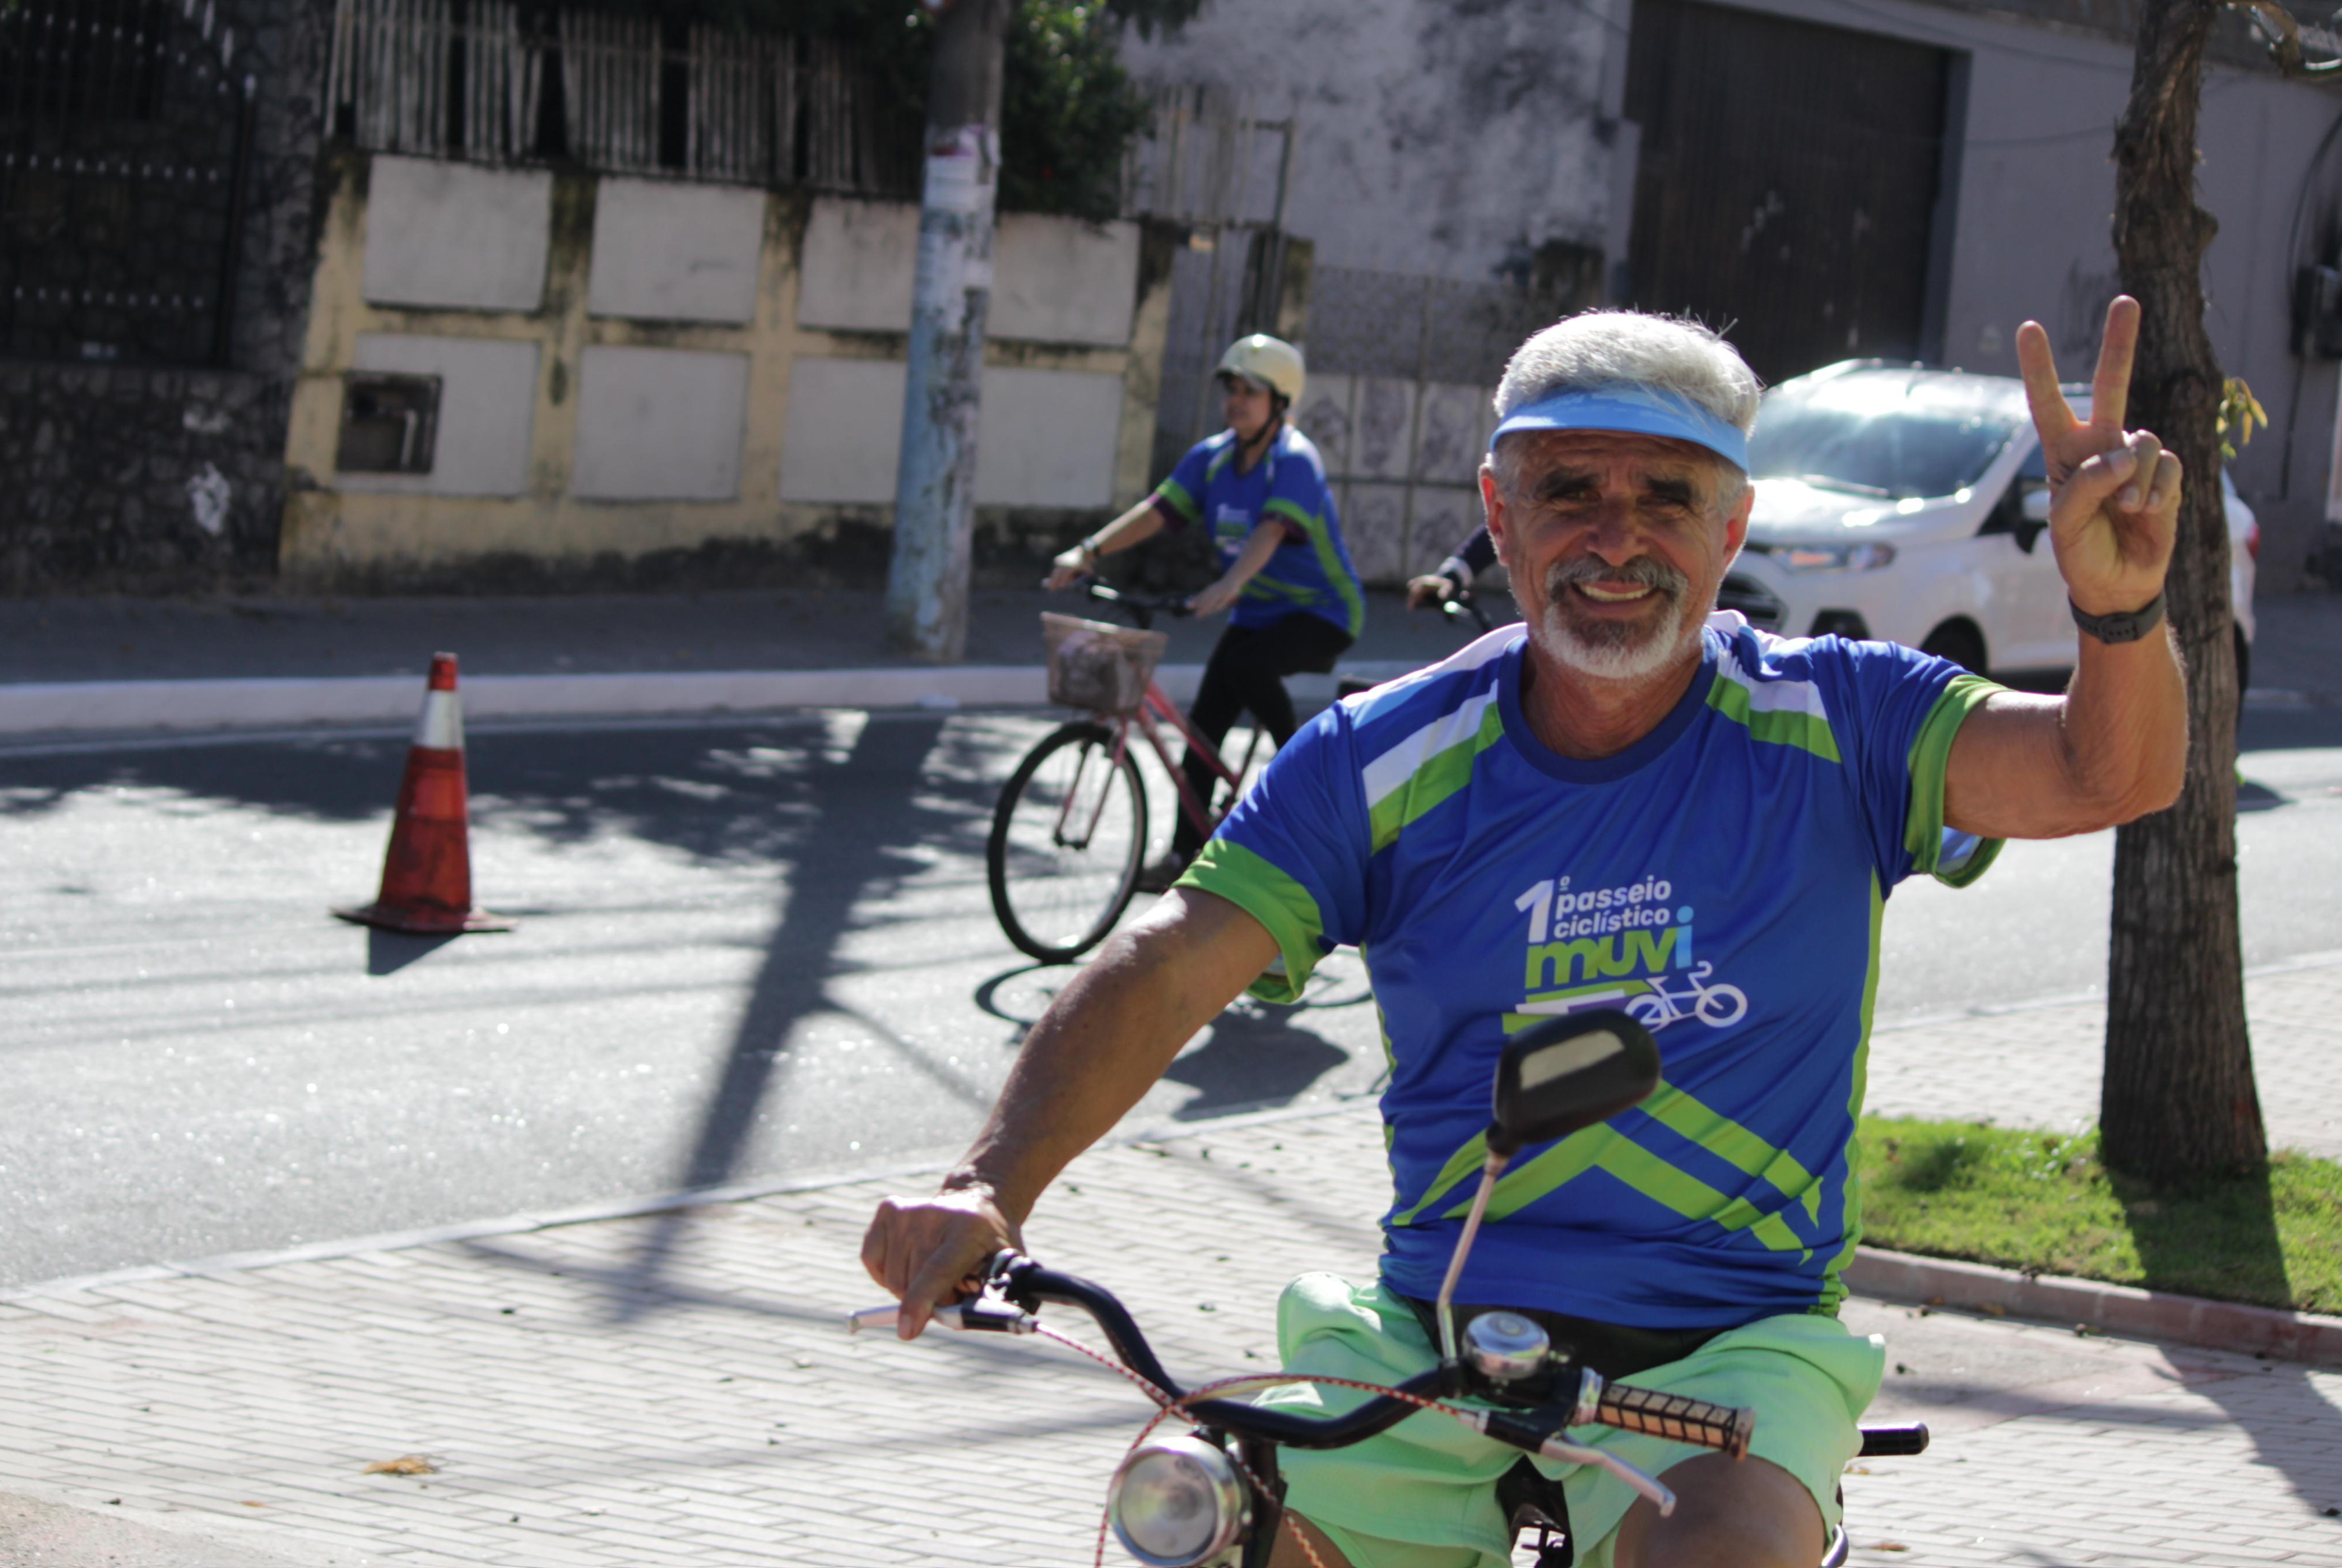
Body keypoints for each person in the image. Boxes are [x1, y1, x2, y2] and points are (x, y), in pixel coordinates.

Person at [867, 300, 2185, 1568]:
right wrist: (989, 1184)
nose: (1616, 540)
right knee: (1224, 1525)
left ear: (1731, 526)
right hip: (1430, 1345)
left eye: (1666, 498)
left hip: (1731, 1352)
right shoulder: (1375, 759)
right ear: (1500, 516)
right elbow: (1164, 971)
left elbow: (2106, 772)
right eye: (1569, 493)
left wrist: (2119, 614)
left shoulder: (1844, 720)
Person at [1047, 334, 1365, 889]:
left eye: (1251, 392)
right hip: (1256, 614)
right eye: (1231, 390)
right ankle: (1182, 856)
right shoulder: (1213, 459)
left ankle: (1308, 778)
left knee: (1246, 668)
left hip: (1323, 613)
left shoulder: (1293, 460)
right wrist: (1088, 551)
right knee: (1204, 727)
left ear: (1280, 402)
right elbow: (1156, 511)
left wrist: (1231, 582)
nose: (1236, 401)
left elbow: (1271, 530)